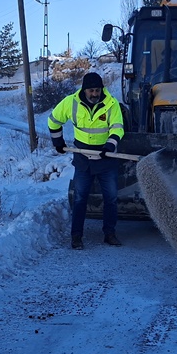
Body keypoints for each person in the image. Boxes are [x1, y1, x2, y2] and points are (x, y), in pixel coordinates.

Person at [47, 72, 124, 249]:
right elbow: (53, 120)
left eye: (97, 90)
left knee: (111, 198)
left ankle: (110, 233)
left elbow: (118, 127)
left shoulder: (111, 104)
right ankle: (76, 236)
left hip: (106, 157)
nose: (95, 94)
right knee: (80, 198)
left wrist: (110, 145)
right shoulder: (70, 103)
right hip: (83, 159)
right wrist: (58, 142)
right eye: (91, 91)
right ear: (84, 90)